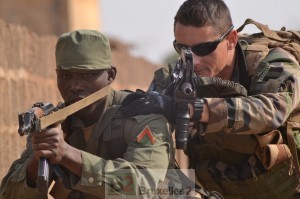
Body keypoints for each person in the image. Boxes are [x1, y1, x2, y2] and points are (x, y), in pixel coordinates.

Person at [122, 0, 300, 198]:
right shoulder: (176, 76)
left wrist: (195, 110)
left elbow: (273, 110)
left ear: (231, 39)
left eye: (205, 49)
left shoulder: (271, 63)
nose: (194, 61)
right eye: (182, 48)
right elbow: (145, 142)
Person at [0, 29, 181, 199]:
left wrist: (67, 154)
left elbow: (141, 188)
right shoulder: (56, 124)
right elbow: (8, 194)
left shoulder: (143, 115)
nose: (75, 86)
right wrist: (38, 160)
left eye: (87, 75)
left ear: (110, 75)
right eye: (66, 76)